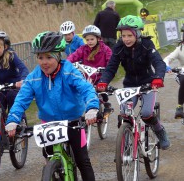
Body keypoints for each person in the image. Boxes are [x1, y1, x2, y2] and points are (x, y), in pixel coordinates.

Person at [5, 31, 99, 181]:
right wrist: (12, 119)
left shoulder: (69, 71)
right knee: (49, 158)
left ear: (57, 57)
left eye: (49, 57)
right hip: (48, 124)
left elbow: (86, 89)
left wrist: (92, 108)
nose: (44, 62)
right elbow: (21, 99)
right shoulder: (34, 76)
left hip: (73, 121)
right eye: (40, 58)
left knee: (83, 161)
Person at [96, 15, 171, 150]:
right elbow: (111, 67)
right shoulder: (119, 47)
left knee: (147, 113)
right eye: (123, 35)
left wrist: (158, 77)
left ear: (137, 34)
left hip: (147, 84)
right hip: (129, 86)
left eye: (129, 35)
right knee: (125, 113)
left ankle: (160, 132)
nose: (126, 39)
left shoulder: (147, 44)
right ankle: (126, 142)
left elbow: (158, 62)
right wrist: (103, 82)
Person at [67, 25, 113, 117]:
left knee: (101, 91)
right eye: (87, 40)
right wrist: (66, 64)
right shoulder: (83, 49)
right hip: (87, 76)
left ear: (98, 38)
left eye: (92, 39)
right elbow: (73, 56)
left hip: (101, 75)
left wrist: (107, 68)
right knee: (81, 90)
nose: (89, 42)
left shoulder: (105, 49)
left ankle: (105, 103)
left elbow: (111, 61)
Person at [164, 26, 184, 119]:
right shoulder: (180, 49)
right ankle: (180, 106)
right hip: (182, 73)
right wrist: (167, 66)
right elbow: (167, 59)